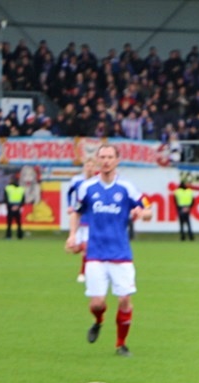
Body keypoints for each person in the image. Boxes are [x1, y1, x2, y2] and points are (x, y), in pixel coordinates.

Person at [65, 144, 153, 356]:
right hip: (95, 254)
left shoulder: (126, 188)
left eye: (109, 157)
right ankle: (98, 321)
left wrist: (144, 214)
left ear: (117, 160)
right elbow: (75, 212)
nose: (106, 161)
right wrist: (72, 235)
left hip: (121, 255)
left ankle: (120, 344)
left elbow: (147, 207)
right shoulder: (86, 188)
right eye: (102, 157)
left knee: (124, 299)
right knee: (97, 303)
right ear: (97, 160)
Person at [67, 158, 98, 282]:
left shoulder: (97, 181)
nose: (90, 168)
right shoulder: (77, 180)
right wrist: (70, 205)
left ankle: (82, 273)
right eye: (87, 165)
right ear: (84, 167)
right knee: (74, 249)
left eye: (92, 165)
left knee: (86, 248)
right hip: (79, 215)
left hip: (91, 217)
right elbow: (69, 192)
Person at [4, 175, 25, 239]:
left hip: (11, 207)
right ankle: (19, 236)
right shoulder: (21, 189)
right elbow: (23, 200)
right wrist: (18, 206)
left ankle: (9, 236)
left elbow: (6, 199)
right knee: (18, 223)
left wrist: (12, 207)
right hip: (17, 207)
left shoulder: (8, 188)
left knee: (10, 223)